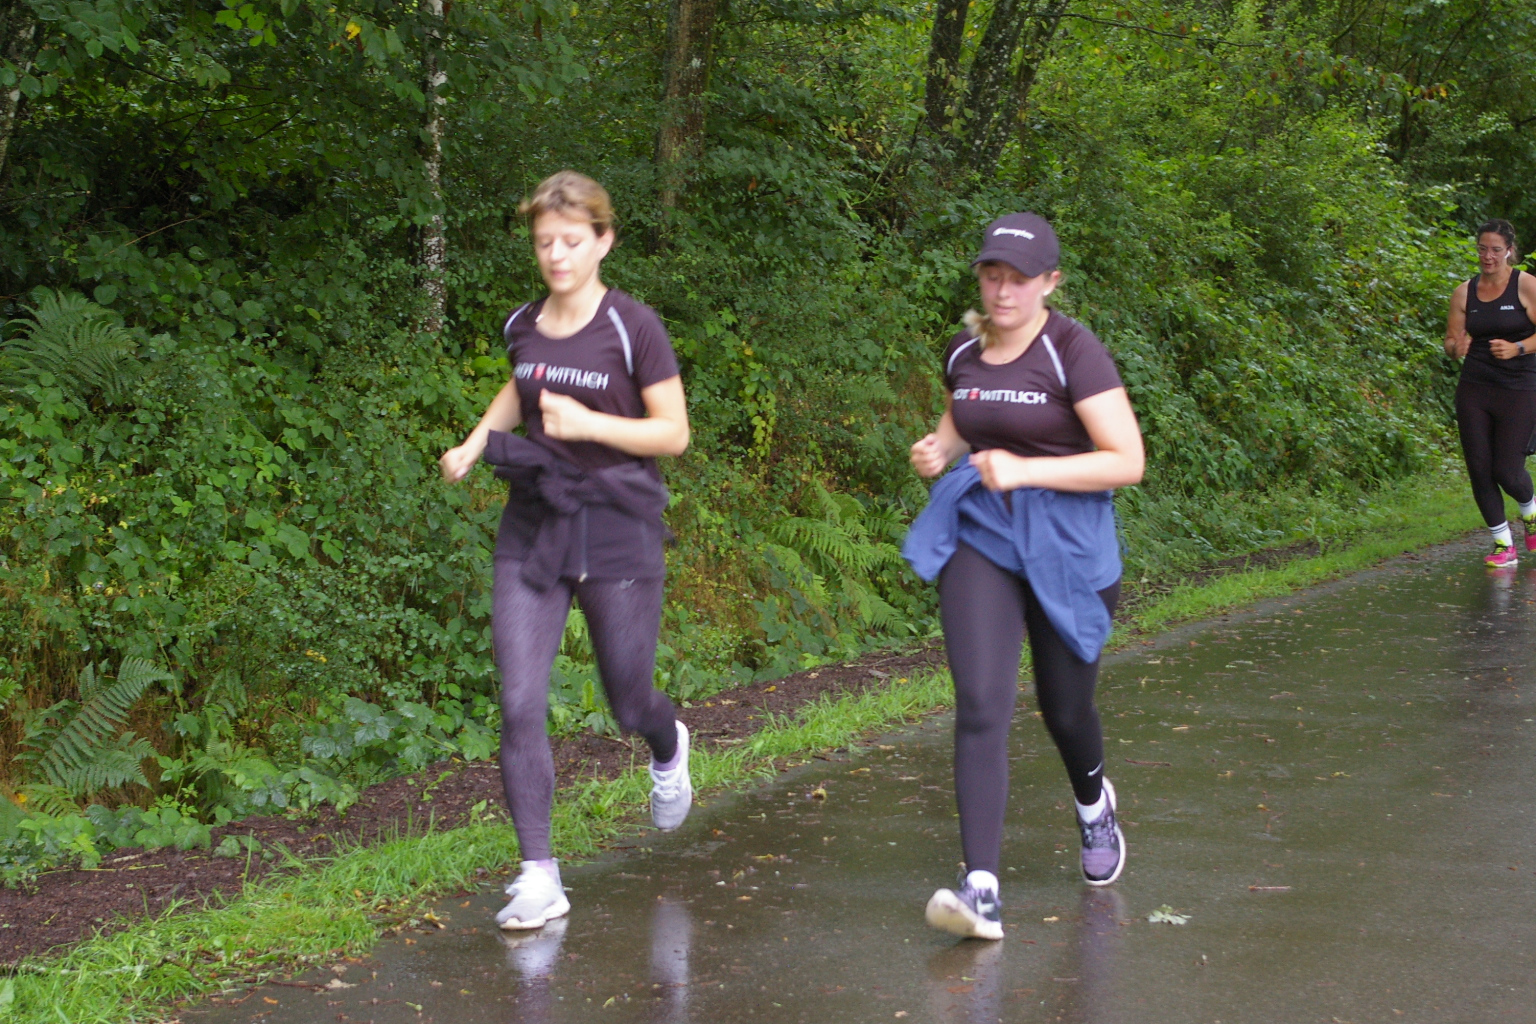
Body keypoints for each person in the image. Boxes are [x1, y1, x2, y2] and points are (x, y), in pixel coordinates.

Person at [440, 171, 693, 930]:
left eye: (572, 241)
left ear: (603, 241)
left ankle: (668, 744)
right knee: (519, 700)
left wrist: (589, 425)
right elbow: (519, 388)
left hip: (617, 524)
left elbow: (673, 433)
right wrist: (475, 442)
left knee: (628, 701)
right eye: (545, 241)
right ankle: (539, 874)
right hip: (535, 525)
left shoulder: (633, 327)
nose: (556, 255)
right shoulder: (523, 323)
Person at [903, 213, 1145, 940]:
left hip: (1067, 548)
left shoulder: (1073, 352)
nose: (1003, 290)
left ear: (1050, 282)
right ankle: (980, 887)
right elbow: (963, 418)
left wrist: (1025, 470)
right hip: (984, 536)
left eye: (1019, 278)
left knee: (1064, 709)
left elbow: (1126, 460)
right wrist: (939, 448)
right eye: (992, 275)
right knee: (981, 701)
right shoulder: (964, 350)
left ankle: (1094, 804)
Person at [1444, 218, 1536, 567]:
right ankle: (1503, 545)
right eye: (1482, 249)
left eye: (1496, 249)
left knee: (1507, 472)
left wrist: (1518, 348)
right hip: (1475, 387)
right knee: (1480, 469)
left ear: (1509, 250)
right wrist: (1456, 348)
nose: (1488, 256)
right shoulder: (1464, 292)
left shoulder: (1525, 286)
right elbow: (1450, 341)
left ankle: (1531, 511)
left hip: (1520, 386)